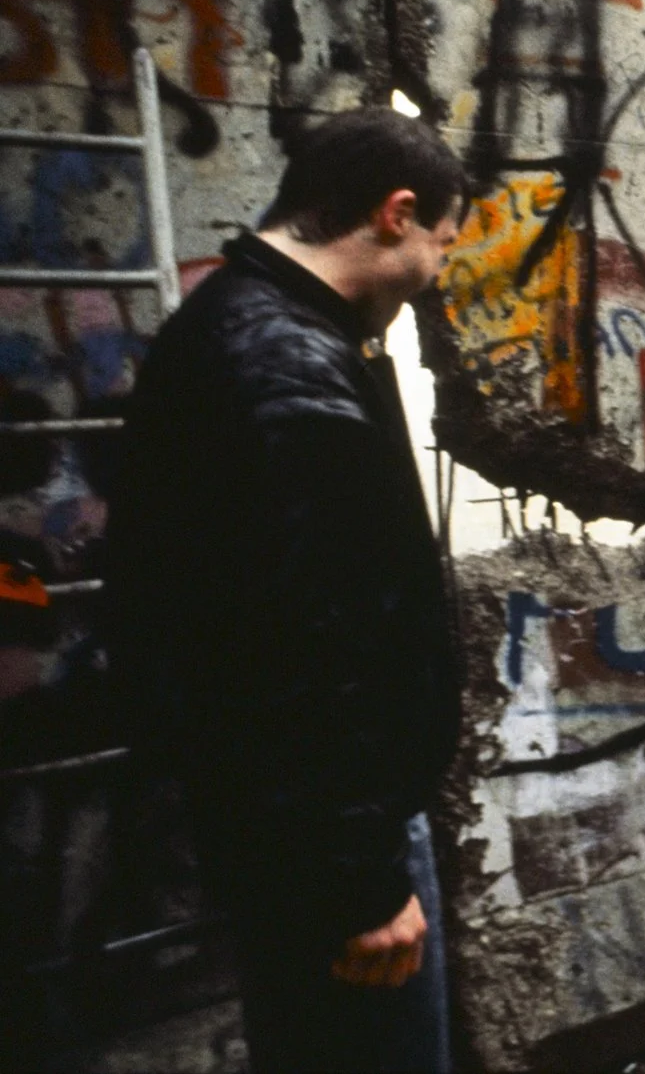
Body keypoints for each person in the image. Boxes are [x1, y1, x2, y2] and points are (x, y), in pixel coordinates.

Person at [106, 108, 466, 1072]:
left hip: (280, 825)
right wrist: (362, 880)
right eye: (441, 242)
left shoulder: (239, 325)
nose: (439, 269)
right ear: (395, 215)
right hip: (328, 846)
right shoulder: (285, 368)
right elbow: (311, 649)